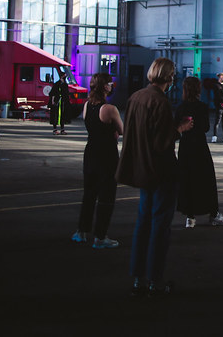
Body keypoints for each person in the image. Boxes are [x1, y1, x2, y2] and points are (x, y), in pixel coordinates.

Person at [116, 58, 193, 297]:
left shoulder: (136, 97)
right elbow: (161, 142)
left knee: (143, 223)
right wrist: (180, 128)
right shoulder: (160, 102)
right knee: (160, 226)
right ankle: (155, 280)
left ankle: (138, 277)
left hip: (142, 169)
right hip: (162, 171)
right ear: (170, 77)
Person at [72, 73, 124, 249]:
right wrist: (114, 131)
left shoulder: (87, 105)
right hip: (107, 155)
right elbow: (122, 130)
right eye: (110, 83)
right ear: (105, 87)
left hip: (91, 152)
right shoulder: (109, 109)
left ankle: (81, 231)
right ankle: (100, 237)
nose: (112, 85)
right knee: (106, 196)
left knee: (89, 194)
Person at [175, 76, 223, 229]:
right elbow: (205, 127)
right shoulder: (201, 106)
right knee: (207, 180)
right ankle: (213, 214)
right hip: (199, 147)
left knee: (188, 180)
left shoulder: (180, 107)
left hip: (185, 147)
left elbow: (176, 126)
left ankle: (190, 217)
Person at [49, 69, 71, 135]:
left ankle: (62, 129)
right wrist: (53, 101)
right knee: (55, 115)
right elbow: (53, 93)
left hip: (63, 102)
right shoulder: (57, 84)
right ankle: (55, 129)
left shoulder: (65, 85)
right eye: (64, 76)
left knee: (63, 115)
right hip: (57, 102)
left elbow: (66, 94)